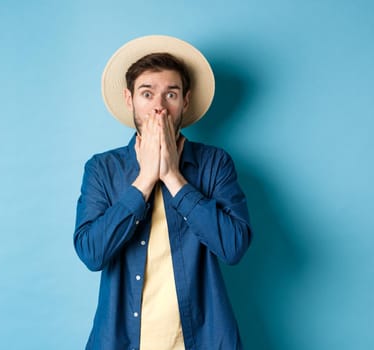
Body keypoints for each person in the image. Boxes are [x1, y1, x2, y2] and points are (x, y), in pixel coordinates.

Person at [74, 35, 253, 350]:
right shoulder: (103, 169)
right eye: (147, 94)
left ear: (184, 101)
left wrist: (172, 176)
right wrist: (144, 180)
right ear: (130, 100)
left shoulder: (215, 163)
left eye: (170, 94)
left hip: (203, 339)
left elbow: (233, 247)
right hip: (121, 340)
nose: (159, 107)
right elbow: (92, 253)